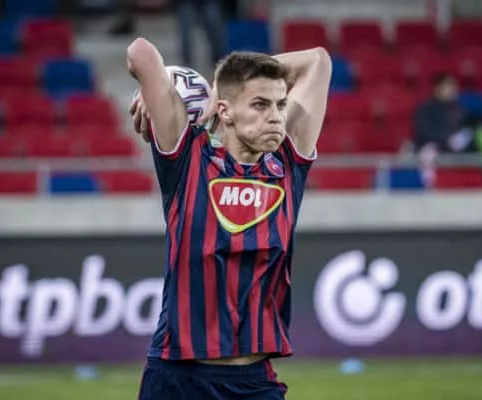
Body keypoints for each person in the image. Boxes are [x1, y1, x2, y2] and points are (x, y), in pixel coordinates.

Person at [126, 37, 331, 399]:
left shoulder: (288, 163)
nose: (275, 116)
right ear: (224, 111)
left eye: (280, 104)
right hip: (177, 379)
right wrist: (159, 83)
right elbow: (140, 51)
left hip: (254, 383)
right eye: (260, 104)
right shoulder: (188, 159)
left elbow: (318, 61)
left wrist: (229, 82)